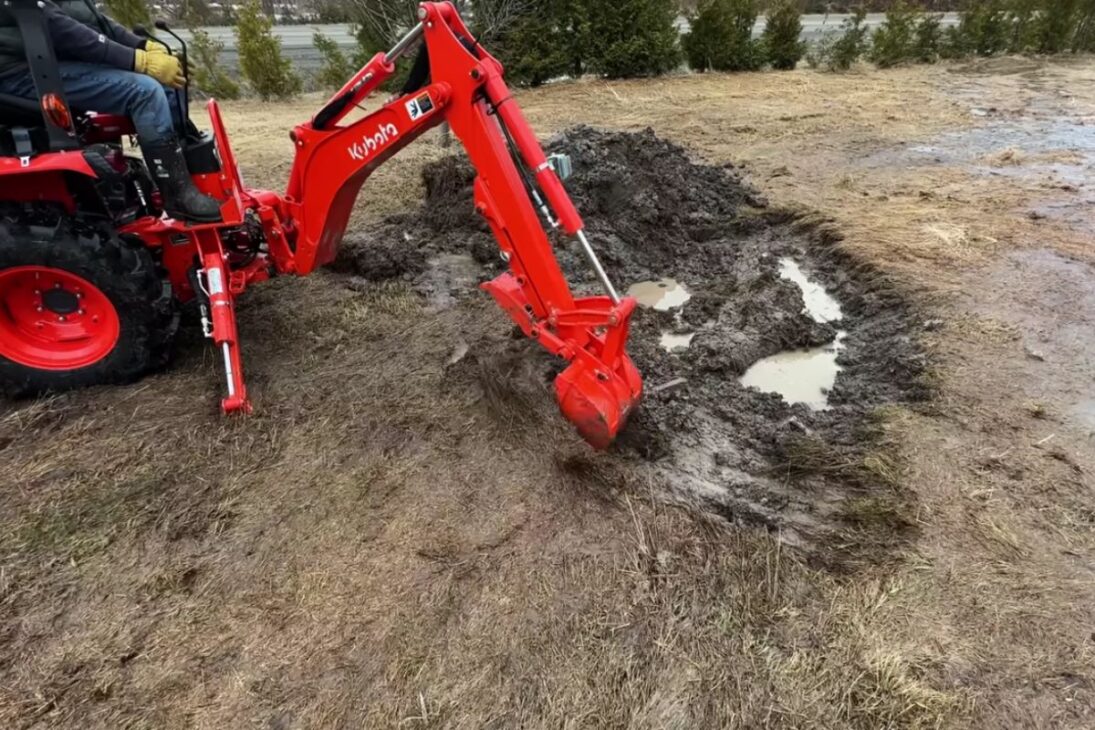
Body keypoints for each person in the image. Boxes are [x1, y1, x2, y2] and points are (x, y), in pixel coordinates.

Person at [0, 0, 221, 221]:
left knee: (168, 87)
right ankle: (178, 197)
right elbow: (62, 29)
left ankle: (198, 183)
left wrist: (143, 45)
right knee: (145, 92)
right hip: (19, 71)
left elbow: (88, 19)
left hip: (43, 59)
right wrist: (138, 60)